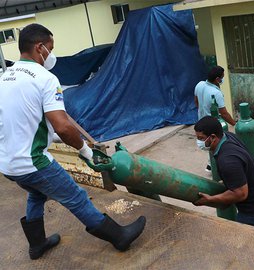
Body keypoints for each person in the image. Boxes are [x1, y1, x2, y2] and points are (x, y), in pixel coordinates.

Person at [0, 23, 146, 260]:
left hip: (7, 163)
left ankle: (37, 245)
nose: (52, 53)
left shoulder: (6, 77)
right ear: (40, 48)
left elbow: (20, 119)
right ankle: (119, 237)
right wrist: (86, 151)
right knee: (76, 197)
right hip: (32, 162)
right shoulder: (44, 78)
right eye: (51, 47)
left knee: (36, 193)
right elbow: (63, 126)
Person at [193, 116, 254, 229]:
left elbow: (241, 193)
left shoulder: (227, 161)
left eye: (201, 138)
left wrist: (210, 200)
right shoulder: (227, 136)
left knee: (242, 236)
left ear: (212, 137)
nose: (198, 142)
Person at [194, 66, 236, 172]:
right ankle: (214, 166)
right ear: (217, 79)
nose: (222, 80)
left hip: (202, 120)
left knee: (209, 144)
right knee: (218, 144)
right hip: (213, 124)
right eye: (222, 77)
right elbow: (224, 113)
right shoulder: (216, 93)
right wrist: (234, 123)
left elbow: (196, 102)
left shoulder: (199, 85)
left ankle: (210, 165)